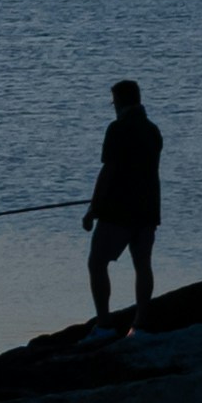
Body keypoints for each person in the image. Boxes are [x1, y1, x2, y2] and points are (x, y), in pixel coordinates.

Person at [85, 77, 165, 316]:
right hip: (148, 209)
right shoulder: (152, 130)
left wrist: (93, 210)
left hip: (118, 211)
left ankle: (104, 322)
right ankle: (141, 321)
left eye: (114, 102)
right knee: (143, 265)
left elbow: (108, 172)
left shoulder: (117, 129)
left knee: (97, 263)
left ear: (119, 101)